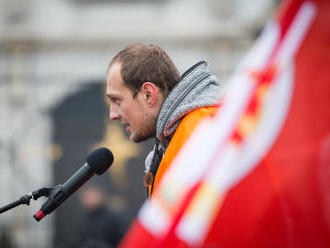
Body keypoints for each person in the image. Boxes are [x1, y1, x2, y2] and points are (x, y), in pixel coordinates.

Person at [106, 43, 222, 197]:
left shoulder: (198, 134)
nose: (112, 114)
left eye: (117, 100)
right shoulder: (189, 133)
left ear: (148, 94)